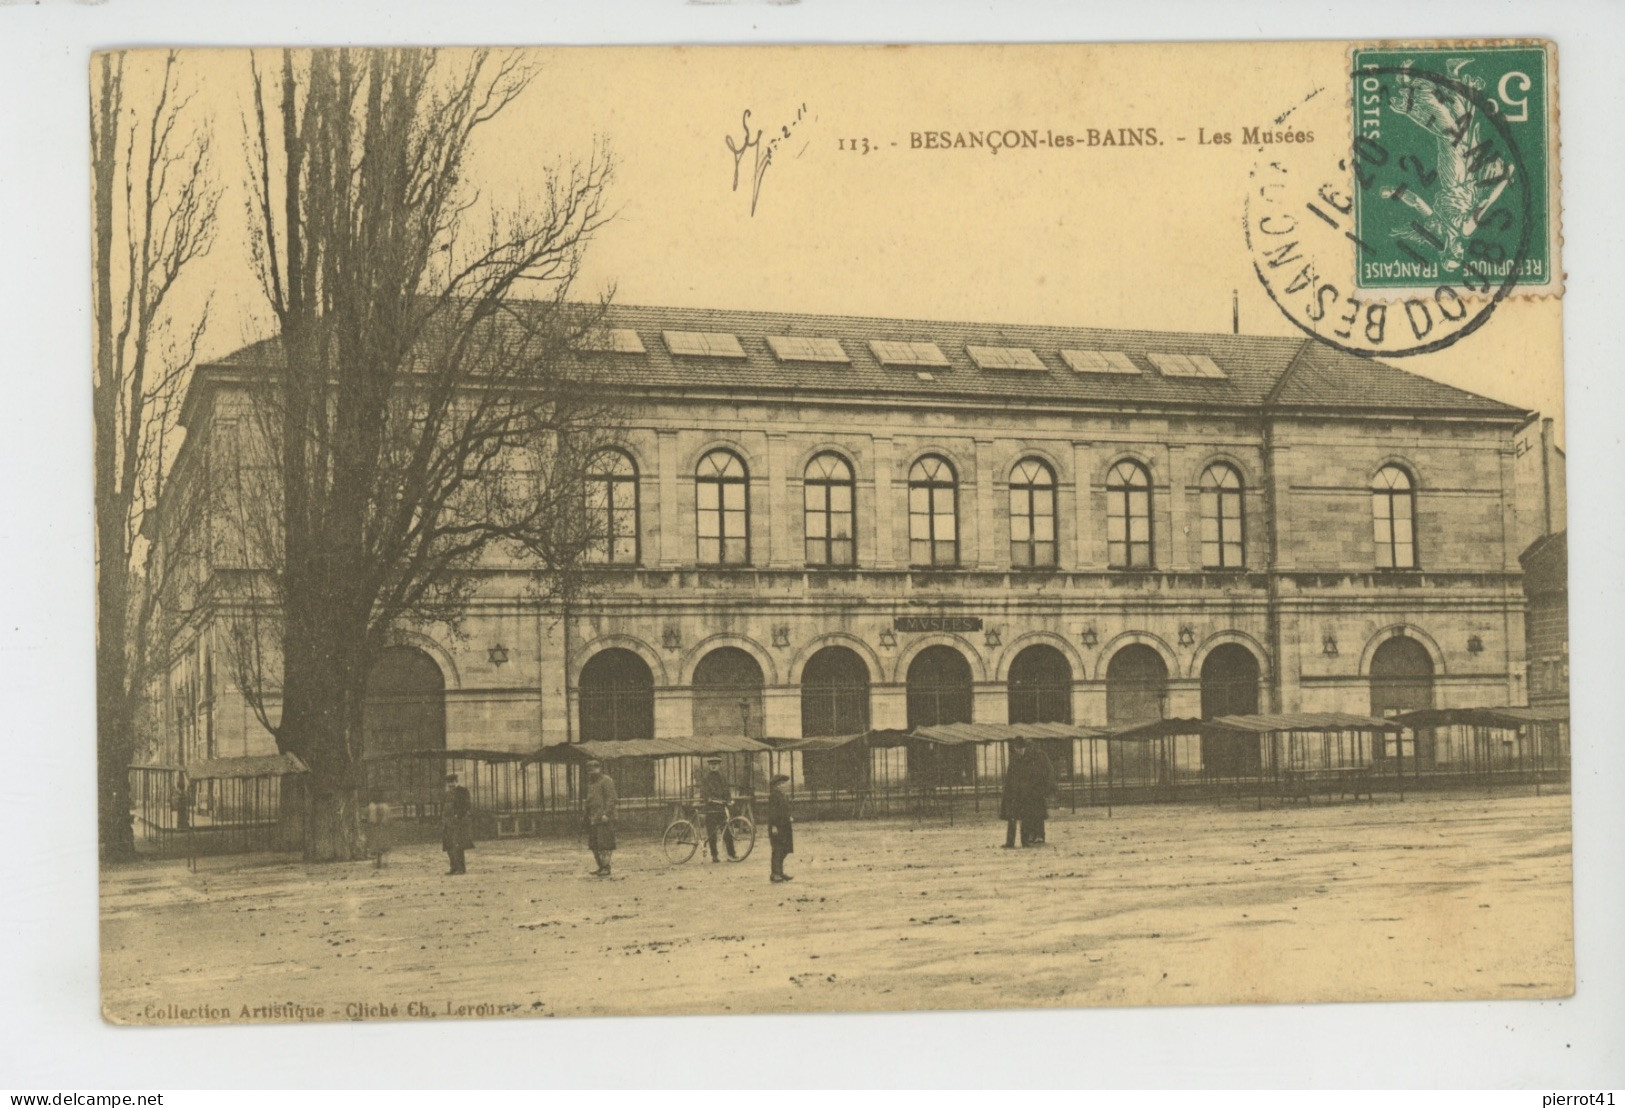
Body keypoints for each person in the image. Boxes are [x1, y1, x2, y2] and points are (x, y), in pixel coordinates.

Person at [1000, 738, 1056, 848]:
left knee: (1024, 818)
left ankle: (1025, 842)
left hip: (1025, 794)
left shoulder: (1029, 759)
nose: (1018, 751)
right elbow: (1009, 777)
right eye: (1017, 749)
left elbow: (1031, 777)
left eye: (1020, 749)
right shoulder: (1014, 759)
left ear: (1024, 748)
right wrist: (1008, 792)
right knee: (1012, 819)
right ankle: (1010, 842)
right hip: (1014, 794)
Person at [699, 755, 737, 862]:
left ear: (719, 765)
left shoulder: (722, 778)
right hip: (710, 809)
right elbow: (704, 792)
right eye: (711, 764)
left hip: (721, 808)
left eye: (715, 764)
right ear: (709, 766)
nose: (713, 766)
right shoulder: (706, 778)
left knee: (727, 832)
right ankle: (714, 856)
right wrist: (709, 798)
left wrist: (729, 800)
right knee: (712, 834)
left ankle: (731, 854)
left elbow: (727, 791)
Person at [584, 760, 618, 877]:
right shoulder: (590, 784)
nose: (592, 772)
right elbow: (589, 800)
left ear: (599, 769)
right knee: (594, 845)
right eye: (589, 770)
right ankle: (600, 867)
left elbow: (611, 799)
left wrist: (607, 814)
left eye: (594, 769)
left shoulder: (607, 781)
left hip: (604, 818)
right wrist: (586, 815)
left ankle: (606, 867)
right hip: (594, 818)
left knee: (606, 844)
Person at [441, 773, 473, 875]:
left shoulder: (463, 791)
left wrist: (458, 816)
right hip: (447, 823)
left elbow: (467, 806)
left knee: (458, 846)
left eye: (452, 782)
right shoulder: (447, 794)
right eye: (449, 783)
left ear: (456, 781)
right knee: (449, 846)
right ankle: (453, 868)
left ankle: (461, 868)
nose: (451, 785)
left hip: (458, 823)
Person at [767, 773, 794, 883]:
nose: (784, 785)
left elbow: (785, 809)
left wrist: (789, 816)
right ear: (776, 785)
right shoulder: (774, 796)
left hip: (785, 826)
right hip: (777, 827)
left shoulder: (783, 795)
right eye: (781, 784)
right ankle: (775, 874)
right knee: (777, 850)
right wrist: (773, 826)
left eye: (784, 783)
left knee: (784, 849)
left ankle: (780, 872)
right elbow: (772, 812)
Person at [363, 788, 393, 869]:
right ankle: (384, 861)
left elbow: (366, 817)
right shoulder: (386, 807)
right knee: (383, 845)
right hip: (383, 828)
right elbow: (389, 818)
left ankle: (377, 860)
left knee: (376, 845)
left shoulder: (370, 806)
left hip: (374, 828)